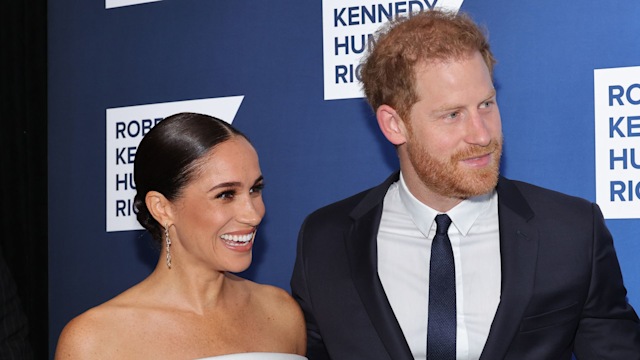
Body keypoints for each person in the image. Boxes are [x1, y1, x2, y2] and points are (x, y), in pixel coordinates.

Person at [290, 10, 640, 360]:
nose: (482, 134)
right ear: (394, 124)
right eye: (452, 114)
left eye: (486, 104)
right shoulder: (325, 241)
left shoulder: (571, 231)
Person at [55, 113, 306, 359]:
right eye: (225, 194)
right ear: (162, 208)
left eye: (255, 189)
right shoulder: (95, 340)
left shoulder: (282, 313)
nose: (253, 215)